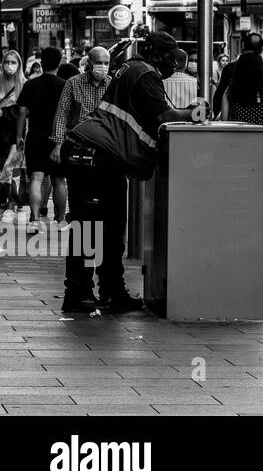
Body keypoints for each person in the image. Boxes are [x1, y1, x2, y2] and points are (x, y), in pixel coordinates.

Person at [60, 32, 200, 313]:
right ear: (157, 55)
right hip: (94, 154)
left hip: (98, 154)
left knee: (110, 228)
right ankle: (79, 292)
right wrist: (195, 112)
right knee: (91, 228)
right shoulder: (145, 73)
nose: (173, 64)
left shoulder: (131, 68)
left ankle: (111, 291)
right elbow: (163, 117)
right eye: (170, 58)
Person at [221, 51, 263, 235]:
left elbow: (225, 121)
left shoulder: (230, 91)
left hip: (236, 144)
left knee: (238, 183)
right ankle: (260, 222)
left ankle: (240, 220)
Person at [48, 47, 111, 220]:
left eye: (106, 63)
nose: (103, 67)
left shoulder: (112, 85)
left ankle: (96, 242)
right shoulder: (73, 83)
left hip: (104, 149)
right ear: (89, 63)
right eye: (99, 63)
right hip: (77, 148)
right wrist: (58, 144)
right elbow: (62, 115)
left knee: (100, 198)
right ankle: (80, 240)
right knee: (78, 196)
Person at [17, 47, 68, 233]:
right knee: (59, 180)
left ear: (42, 62)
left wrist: (19, 136)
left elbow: (22, 112)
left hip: (35, 138)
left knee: (36, 179)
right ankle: (61, 220)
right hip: (58, 139)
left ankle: (34, 220)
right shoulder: (65, 85)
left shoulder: (30, 85)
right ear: (59, 63)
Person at [0, 50, 25, 223]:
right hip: (0, 133)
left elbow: (24, 113)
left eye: (13, 62)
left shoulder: (24, 84)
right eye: (7, 62)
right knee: (2, 169)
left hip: (16, 134)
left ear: (19, 65)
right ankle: (4, 201)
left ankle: (12, 204)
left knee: (12, 168)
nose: (10, 66)